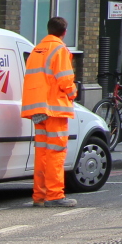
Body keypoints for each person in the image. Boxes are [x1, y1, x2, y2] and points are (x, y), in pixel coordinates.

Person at [22, 16, 77, 208]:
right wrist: (73, 93)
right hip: (55, 109)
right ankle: (54, 195)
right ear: (64, 31)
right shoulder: (59, 49)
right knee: (56, 152)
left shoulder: (36, 50)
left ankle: (40, 195)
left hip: (38, 109)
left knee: (42, 152)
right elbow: (64, 79)